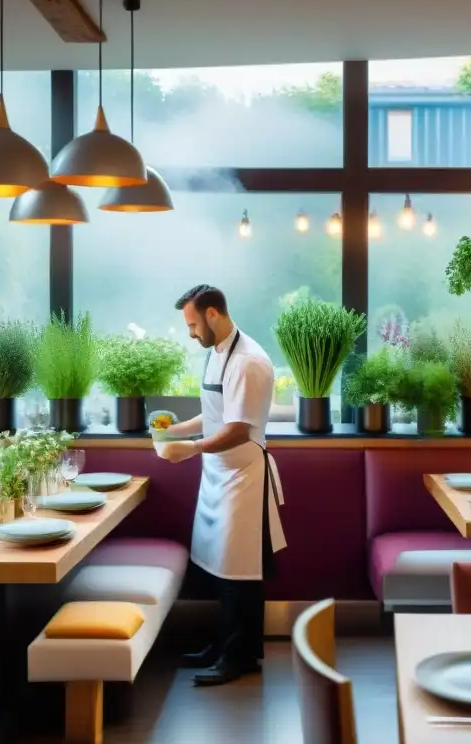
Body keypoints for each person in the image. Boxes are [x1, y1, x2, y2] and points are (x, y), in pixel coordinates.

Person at [161, 284, 287, 686]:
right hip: (218, 474)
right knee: (220, 569)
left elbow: (237, 430)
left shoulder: (249, 361)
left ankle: (240, 657)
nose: (191, 333)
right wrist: (176, 430)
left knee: (240, 573)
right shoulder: (218, 352)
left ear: (213, 314)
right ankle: (224, 647)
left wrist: (189, 449)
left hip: (241, 476)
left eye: (194, 323)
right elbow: (215, 411)